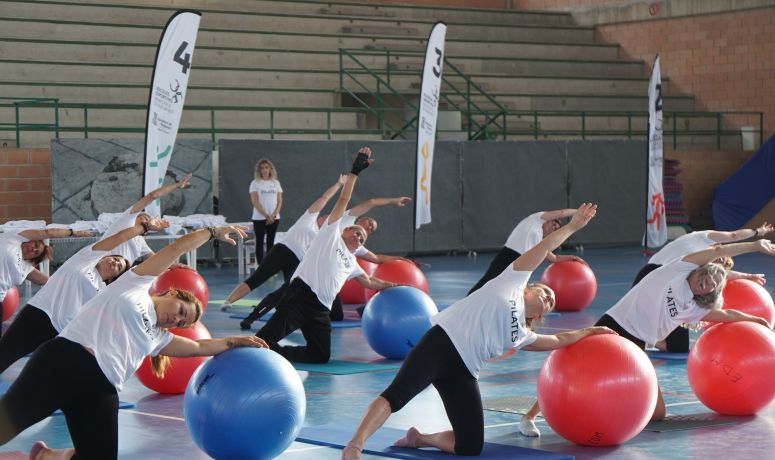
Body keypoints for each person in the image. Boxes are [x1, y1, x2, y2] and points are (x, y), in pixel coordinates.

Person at [341, 203, 614, 459]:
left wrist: (592, 331)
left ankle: (421, 438)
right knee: (396, 395)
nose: (547, 296)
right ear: (530, 287)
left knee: (470, 446)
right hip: (442, 344)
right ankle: (355, 445)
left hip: (464, 372)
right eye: (544, 291)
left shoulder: (521, 334)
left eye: (551, 301)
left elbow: (559, 338)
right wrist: (573, 227)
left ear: (541, 315)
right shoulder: (511, 281)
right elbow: (544, 248)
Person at [0, 224, 267, 460]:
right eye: (180, 311)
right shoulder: (133, 285)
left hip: (101, 390)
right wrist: (210, 232)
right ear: (172, 292)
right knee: (5, 426)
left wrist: (234, 341)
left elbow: (199, 347)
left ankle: (48, 456)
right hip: (65, 363)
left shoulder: (158, 338)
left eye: (182, 323)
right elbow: (176, 249)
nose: (176, 319)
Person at [519, 238, 775, 438]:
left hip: (638, 345)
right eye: (707, 277)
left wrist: (756, 320)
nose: (707, 284)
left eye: (713, 285)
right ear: (700, 271)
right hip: (614, 325)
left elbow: (726, 314)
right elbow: (716, 250)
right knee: (572, 372)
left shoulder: (697, 307)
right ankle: (529, 416)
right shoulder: (676, 271)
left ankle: (607, 415)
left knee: (658, 414)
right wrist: (753, 245)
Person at [254, 147, 398, 363]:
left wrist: (397, 286)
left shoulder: (352, 260)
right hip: (300, 297)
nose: (360, 237)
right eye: (357, 232)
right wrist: (355, 171)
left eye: (363, 239)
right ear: (346, 229)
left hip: (321, 310)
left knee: (320, 356)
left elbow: (369, 281)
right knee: (261, 340)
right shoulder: (330, 234)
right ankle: (257, 349)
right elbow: (343, 200)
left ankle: (278, 354)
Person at [224, 186, 411, 328]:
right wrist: (394, 200)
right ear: (357, 221)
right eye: (369, 222)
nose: (369, 227)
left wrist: (402, 261)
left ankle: (304, 316)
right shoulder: (345, 220)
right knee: (280, 290)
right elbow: (368, 202)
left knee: (334, 313)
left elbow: (376, 261)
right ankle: (246, 312)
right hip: (304, 264)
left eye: (371, 229)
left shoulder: (355, 244)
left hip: (325, 276)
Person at [0, 217, 168, 374]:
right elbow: (118, 238)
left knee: (43, 374)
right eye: (115, 259)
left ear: (113, 278)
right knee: (4, 356)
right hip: (39, 315)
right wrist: (142, 228)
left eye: (119, 267)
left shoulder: (105, 292)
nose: (115, 263)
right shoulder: (85, 259)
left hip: (62, 333)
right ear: (105, 257)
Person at [631, 222, 773, 352]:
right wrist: (757, 234)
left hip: (665, 284)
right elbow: (734, 235)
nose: (719, 262)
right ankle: (639, 331)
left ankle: (646, 337)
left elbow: (720, 276)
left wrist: (745, 276)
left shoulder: (700, 266)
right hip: (653, 276)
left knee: (679, 346)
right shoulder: (703, 240)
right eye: (721, 259)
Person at [468, 208, 585, 295]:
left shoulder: (539, 241)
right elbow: (561, 213)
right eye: (553, 224)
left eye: (555, 229)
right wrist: (578, 212)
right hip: (507, 256)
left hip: (520, 265)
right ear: (549, 219)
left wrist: (572, 257)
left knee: (508, 290)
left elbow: (552, 258)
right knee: (487, 282)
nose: (553, 227)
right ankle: (467, 301)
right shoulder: (537, 219)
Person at [101, 172, 192, 265]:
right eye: (145, 218)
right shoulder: (125, 221)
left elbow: (155, 260)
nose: (148, 221)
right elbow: (152, 196)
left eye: (148, 220)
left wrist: (176, 264)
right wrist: (178, 184)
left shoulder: (140, 242)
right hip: (100, 269)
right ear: (135, 217)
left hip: (119, 276)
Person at [0, 226, 93, 306]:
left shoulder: (25, 268)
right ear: (31, 240)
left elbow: (50, 282)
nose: (34, 249)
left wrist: (79, 290)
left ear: (33, 258)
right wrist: (73, 232)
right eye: (35, 244)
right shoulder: (16, 237)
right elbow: (48, 232)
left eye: (36, 252)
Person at [250, 159, 282, 264]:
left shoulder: (276, 183)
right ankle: (261, 267)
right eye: (262, 168)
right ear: (259, 170)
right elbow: (255, 202)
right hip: (259, 218)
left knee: (270, 243)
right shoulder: (255, 183)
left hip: (274, 218)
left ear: (270, 169)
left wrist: (273, 215)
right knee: (259, 242)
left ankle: (270, 267)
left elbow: (279, 201)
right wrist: (266, 215)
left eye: (266, 167)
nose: (264, 170)